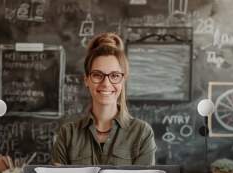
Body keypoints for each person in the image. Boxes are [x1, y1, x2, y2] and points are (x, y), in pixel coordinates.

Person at [51, 32, 156, 165]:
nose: (106, 83)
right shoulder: (67, 135)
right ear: (86, 80)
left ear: (123, 80)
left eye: (114, 75)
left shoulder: (142, 133)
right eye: (97, 75)